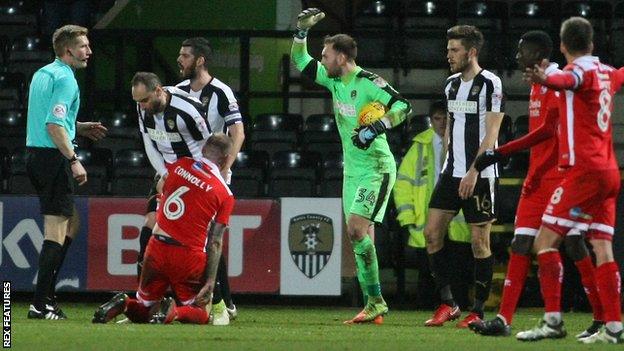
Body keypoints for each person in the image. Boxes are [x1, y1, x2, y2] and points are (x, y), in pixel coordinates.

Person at [468, 30, 601, 339]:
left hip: (561, 177)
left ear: (540, 56)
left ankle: (601, 316)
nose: (517, 57)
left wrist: (501, 152)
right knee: (520, 244)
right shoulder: (537, 85)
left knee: (573, 244)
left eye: (522, 52)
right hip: (537, 178)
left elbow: (549, 133)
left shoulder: (558, 82)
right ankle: (504, 319)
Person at [291, 8, 412, 324]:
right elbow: (301, 62)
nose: (322, 59)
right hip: (352, 170)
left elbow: (403, 106)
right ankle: (373, 304)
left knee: (357, 229)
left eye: (326, 54)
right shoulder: (334, 82)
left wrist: (377, 127)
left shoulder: (369, 82)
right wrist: (301, 32)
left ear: (341, 57)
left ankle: (376, 302)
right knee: (360, 236)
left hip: (377, 166)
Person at [518, 17, 624, 344]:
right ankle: (615, 327)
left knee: (544, 242)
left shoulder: (579, 72)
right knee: (602, 248)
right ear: (591, 43)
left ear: (563, 46)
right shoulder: (608, 72)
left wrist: (546, 77)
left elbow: (568, 80)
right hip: (610, 172)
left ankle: (552, 321)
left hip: (584, 172)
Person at [92, 134, 235, 325]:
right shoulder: (225, 194)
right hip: (188, 254)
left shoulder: (180, 165)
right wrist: (210, 282)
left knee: (144, 308)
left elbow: (162, 188)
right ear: (226, 159)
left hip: (156, 246)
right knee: (201, 312)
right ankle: (174, 312)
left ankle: (125, 304)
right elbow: (215, 241)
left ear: (202, 150)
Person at [424, 25, 504, 328]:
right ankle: (449, 303)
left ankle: (478, 310)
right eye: (448, 50)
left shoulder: (490, 84)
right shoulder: (451, 85)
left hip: (480, 175)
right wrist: (448, 165)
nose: (449, 55)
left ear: (471, 52)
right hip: (451, 172)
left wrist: (474, 170)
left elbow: (492, 133)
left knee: (479, 243)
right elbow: (450, 130)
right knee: (431, 234)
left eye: (454, 50)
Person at [25, 24, 107, 320]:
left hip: (35, 155)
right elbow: (53, 125)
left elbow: (47, 118)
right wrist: (74, 158)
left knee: (72, 223)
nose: (89, 51)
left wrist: (78, 127)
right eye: (84, 46)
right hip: (53, 158)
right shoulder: (67, 80)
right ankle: (40, 303)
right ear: (68, 49)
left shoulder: (42, 74)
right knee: (56, 231)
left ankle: (46, 295)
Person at [175, 37, 245, 322]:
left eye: (185, 55)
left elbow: (237, 132)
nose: (179, 59)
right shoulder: (177, 91)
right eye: (179, 54)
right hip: (185, 174)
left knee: (208, 239)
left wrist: (225, 168)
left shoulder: (221, 92)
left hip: (211, 176)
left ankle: (221, 301)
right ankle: (222, 301)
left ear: (200, 60)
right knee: (200, 240)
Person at [131, 71, 212, 314]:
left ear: (158, 91)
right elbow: (149, 143)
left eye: (144, 100)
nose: (142, 106)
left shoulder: (188, 110)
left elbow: (208, 150)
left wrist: (188, 180)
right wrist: (164, 175)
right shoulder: (143, 107)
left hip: (193, 180)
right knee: (147, 236)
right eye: (138, 102)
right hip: (165, 176)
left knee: (197, 244)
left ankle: (216, 302)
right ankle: (145, 304)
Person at [393, 101, 471, 309]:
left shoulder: (464, 143)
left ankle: (458, 308)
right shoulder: (419, 146)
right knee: (428, 273)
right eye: (438, 118)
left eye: (446, 118)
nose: (442, 123)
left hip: (457, 222)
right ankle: (429, 309)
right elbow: (403, 183)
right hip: (425, 219)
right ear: (431, 120)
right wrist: (408, 218)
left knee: (457, 272)